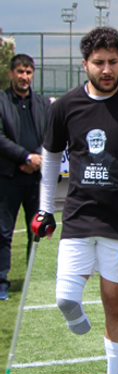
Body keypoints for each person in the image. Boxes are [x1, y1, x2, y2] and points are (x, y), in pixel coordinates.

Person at [31, 27, 118, 374]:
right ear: (85, 63)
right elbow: (51, 157)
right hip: (78, 215)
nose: (107, 70)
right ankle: (76, 319)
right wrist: (44, 208)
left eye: (113, 62)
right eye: (99, 63)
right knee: (65, 298)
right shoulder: (65, 106)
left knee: (114, 303)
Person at [0, 54, 51, 302]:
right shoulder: (1, 101)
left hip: (36, 178)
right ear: (11, 74)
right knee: (3, 233)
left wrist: (37, 159)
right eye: (20, 71)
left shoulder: (43, 103)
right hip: (7, 177)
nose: (24, 77)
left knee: (38, 231)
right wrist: (24, 157)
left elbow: (52, 135)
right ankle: (1, 283)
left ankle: (34, 282)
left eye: (28, 72)